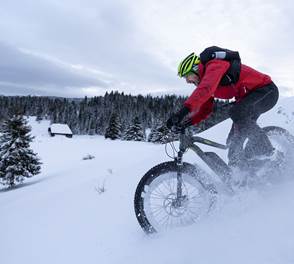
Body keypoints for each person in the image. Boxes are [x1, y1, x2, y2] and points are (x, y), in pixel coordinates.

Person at [167, 47, 279, 167]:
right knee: (232, 142)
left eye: (186, 76)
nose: (187, 81)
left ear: (194, 69)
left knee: (236, 112)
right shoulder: (207, 80)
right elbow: (205, 109)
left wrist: (181, 113)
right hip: (249, 101)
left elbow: (205, 89)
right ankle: (245, 174)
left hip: (267, 91)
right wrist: (186, 123)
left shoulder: (214, 66)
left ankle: (267, 150)